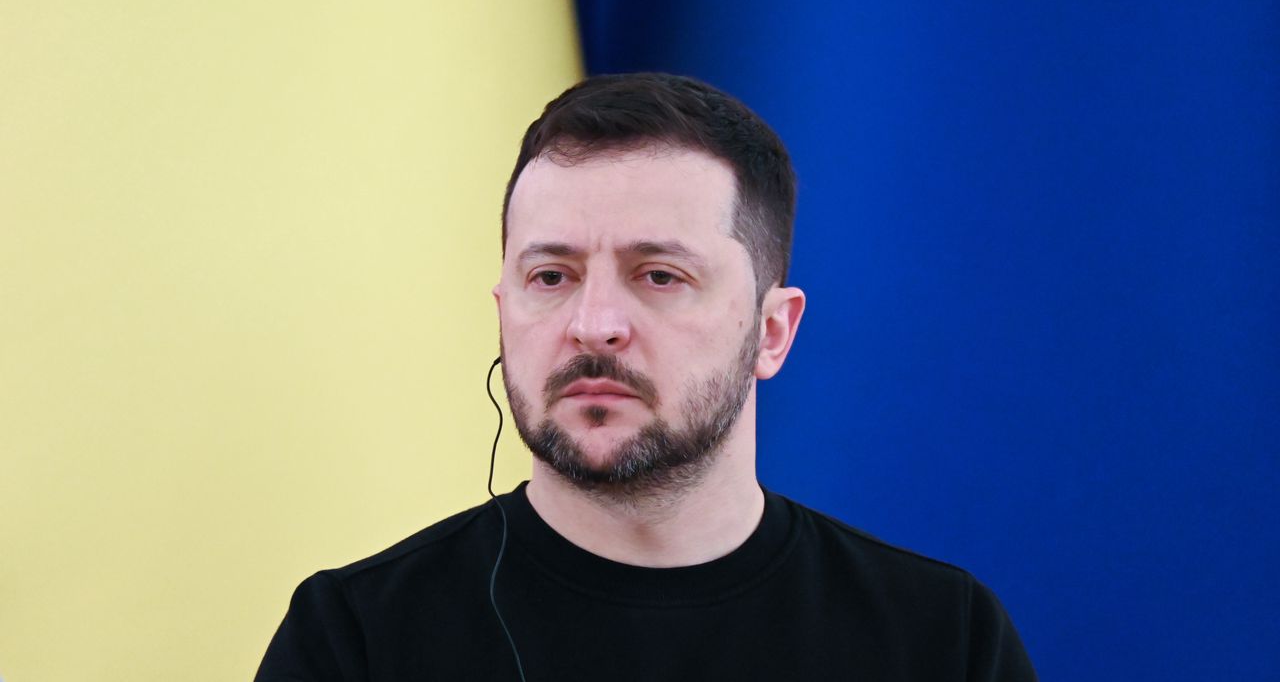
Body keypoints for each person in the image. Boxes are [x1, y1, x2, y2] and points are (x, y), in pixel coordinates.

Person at [255, 73, 1038, 681]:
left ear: (772, 331)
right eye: (551, 277)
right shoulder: (355, 639)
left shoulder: (942, 640)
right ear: (503, 308)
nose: (593, 324)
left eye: (658, 275)